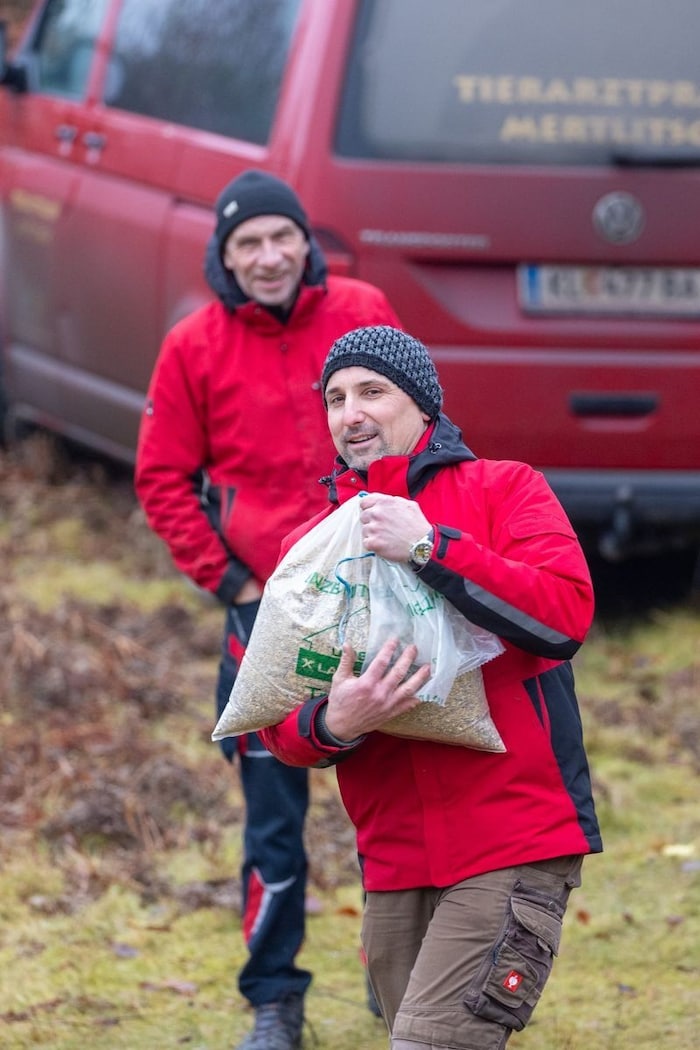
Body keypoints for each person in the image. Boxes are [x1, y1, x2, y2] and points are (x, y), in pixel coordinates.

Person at [260, 325, 603, 1049]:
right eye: (335, 398)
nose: (350, 412)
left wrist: (430, 547)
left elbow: (564, 616)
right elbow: (276, 719)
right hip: (392, 860)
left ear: (423, 408)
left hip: (512, 837)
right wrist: (335, 722)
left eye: (372, 392)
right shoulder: (315, 544)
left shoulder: (506, 489)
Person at [134, 173, 400, 1050]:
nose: (267, 256)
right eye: (247, 243)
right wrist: (229, 580)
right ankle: (274, 1000)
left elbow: (415, 428)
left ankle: (398, 977)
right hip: (267, 617)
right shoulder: (192, 345)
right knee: (273, 814)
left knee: (395, 797)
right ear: (225, 256)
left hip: (374, 597)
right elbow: (161, 477)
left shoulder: (363, 308)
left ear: (305, 241)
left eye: (280, 236)